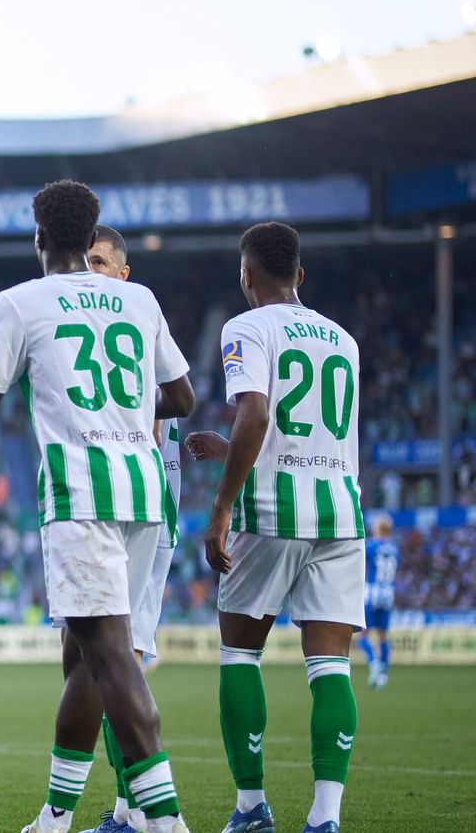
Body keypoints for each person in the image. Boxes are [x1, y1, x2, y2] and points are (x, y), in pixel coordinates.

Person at [0, 181, 195, 833]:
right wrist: (120, 411)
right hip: (145, 494)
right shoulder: (139, 299)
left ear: (41, 237)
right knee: (85, 656)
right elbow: (183, 397)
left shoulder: (21, 302)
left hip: (82, 496)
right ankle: (55, 818)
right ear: (89, 235)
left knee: (111, 657)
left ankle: (166, 819)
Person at [185, 221, 365, 833]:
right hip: (339, 512)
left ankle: (251, 807)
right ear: (300, 274)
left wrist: (221, 507)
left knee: (240, 653)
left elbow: (257, 413)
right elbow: (308, 432)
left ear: (246, 274)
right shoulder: (343, 340)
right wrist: (230, 450)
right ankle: (325, 816)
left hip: (270, 512)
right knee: (331, 666)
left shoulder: (248, 327)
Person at [79, 226, 185, 833]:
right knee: (113, 660)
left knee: (118, 660)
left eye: (99, 262)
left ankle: (146, 812)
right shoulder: (116, 328)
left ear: (123, 272)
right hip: (130, 506)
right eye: (84, 261)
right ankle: (129, 808)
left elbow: (169, 409)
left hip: (141, 511)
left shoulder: (136, 321)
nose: (89, 270)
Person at [361, 516, 398, 689]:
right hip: (388, 593)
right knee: (383, 636)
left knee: (363, 635)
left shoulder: (370, 546)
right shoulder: (394, 549)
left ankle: (374, 663)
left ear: (377, 529)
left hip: (372, 592)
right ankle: (383, 674)